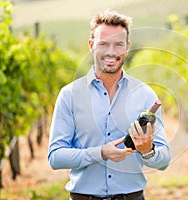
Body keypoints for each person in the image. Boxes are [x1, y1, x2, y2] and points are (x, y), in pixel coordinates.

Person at [48, 9, 171, 200]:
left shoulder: (145, 94)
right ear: (91, 45)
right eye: (103, 44)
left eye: (118, 44)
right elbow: (55, 157)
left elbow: (164, 160)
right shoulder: (69, 95)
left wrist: (148, 151)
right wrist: (101, 152)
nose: (111, 52)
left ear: (127, 47)